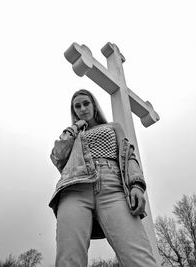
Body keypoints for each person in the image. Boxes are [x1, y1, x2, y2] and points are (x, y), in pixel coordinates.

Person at [49, 89, 157, 267]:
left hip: (112, 186)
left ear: (94, 105)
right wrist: (74, 128)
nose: (82, 108)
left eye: (86, 103)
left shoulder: (113, 127)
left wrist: (137, 185)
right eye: (77, 106)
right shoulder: (74, 134)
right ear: (74, 111)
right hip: (74, 188)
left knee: (138, 256)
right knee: (69, 259)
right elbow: (57, 156)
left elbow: (128, 155)